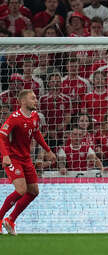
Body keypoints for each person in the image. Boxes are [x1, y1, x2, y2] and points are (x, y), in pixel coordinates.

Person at [0, 89, 56, 235]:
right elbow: (2, 137)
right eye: (32, 98)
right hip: (13, 159)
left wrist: (48, 150)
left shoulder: (35, 116)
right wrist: (5, 156)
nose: (36, 100)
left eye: (36, 98)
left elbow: (36, 133)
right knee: (21, 190)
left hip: (26, 159)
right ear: (23, 101)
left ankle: (10, 220)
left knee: (33, 191)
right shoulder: (14, 118)